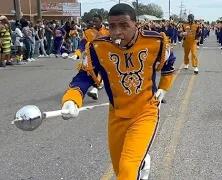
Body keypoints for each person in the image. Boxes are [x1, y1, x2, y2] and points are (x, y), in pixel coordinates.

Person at [60, 3, 176, 180]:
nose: (117, 32)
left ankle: (138, 163)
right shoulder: (98, 47)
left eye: (124, 26)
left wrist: (163, 87)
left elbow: (169, 62)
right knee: (118, 168)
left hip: (145, 111)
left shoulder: (155, 41)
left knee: (128, 170)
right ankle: (142, 162)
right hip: (117, 114)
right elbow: (85, 75)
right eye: (112, 26)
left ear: (135, 25)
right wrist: (72, 99)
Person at [74, 14, 110, 101]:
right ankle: (91, 88)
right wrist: (78, 52)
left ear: (101, 22)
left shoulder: (108, 32)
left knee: (101, 71)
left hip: (103, 56)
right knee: (87, 71)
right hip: (90, 56)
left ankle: (95, 89)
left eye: (96, 21)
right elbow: (83, 43)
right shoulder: (88, 32)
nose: (94, 23)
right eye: (93, 21)